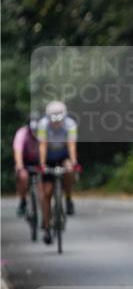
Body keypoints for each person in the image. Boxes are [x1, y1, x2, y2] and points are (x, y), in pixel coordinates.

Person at [36, 101, 79, 244]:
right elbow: (42, 146)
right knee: (46, 193)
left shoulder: (70, 124)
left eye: (58, 122)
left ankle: (68, 198)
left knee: (69, 170)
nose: (56, 125)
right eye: (53, 122)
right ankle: (47, 227)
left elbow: (71, 145)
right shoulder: (43, 125)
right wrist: (42, 164)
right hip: (48, 157)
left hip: (63, 156)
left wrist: (74, 162)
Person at [12, 114, 41, 217]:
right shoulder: (21, 134)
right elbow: (18, 152)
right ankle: (23, 200)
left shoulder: (44, 133)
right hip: (25, 162)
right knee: (23, 176)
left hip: (39, 161)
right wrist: (20, 167)